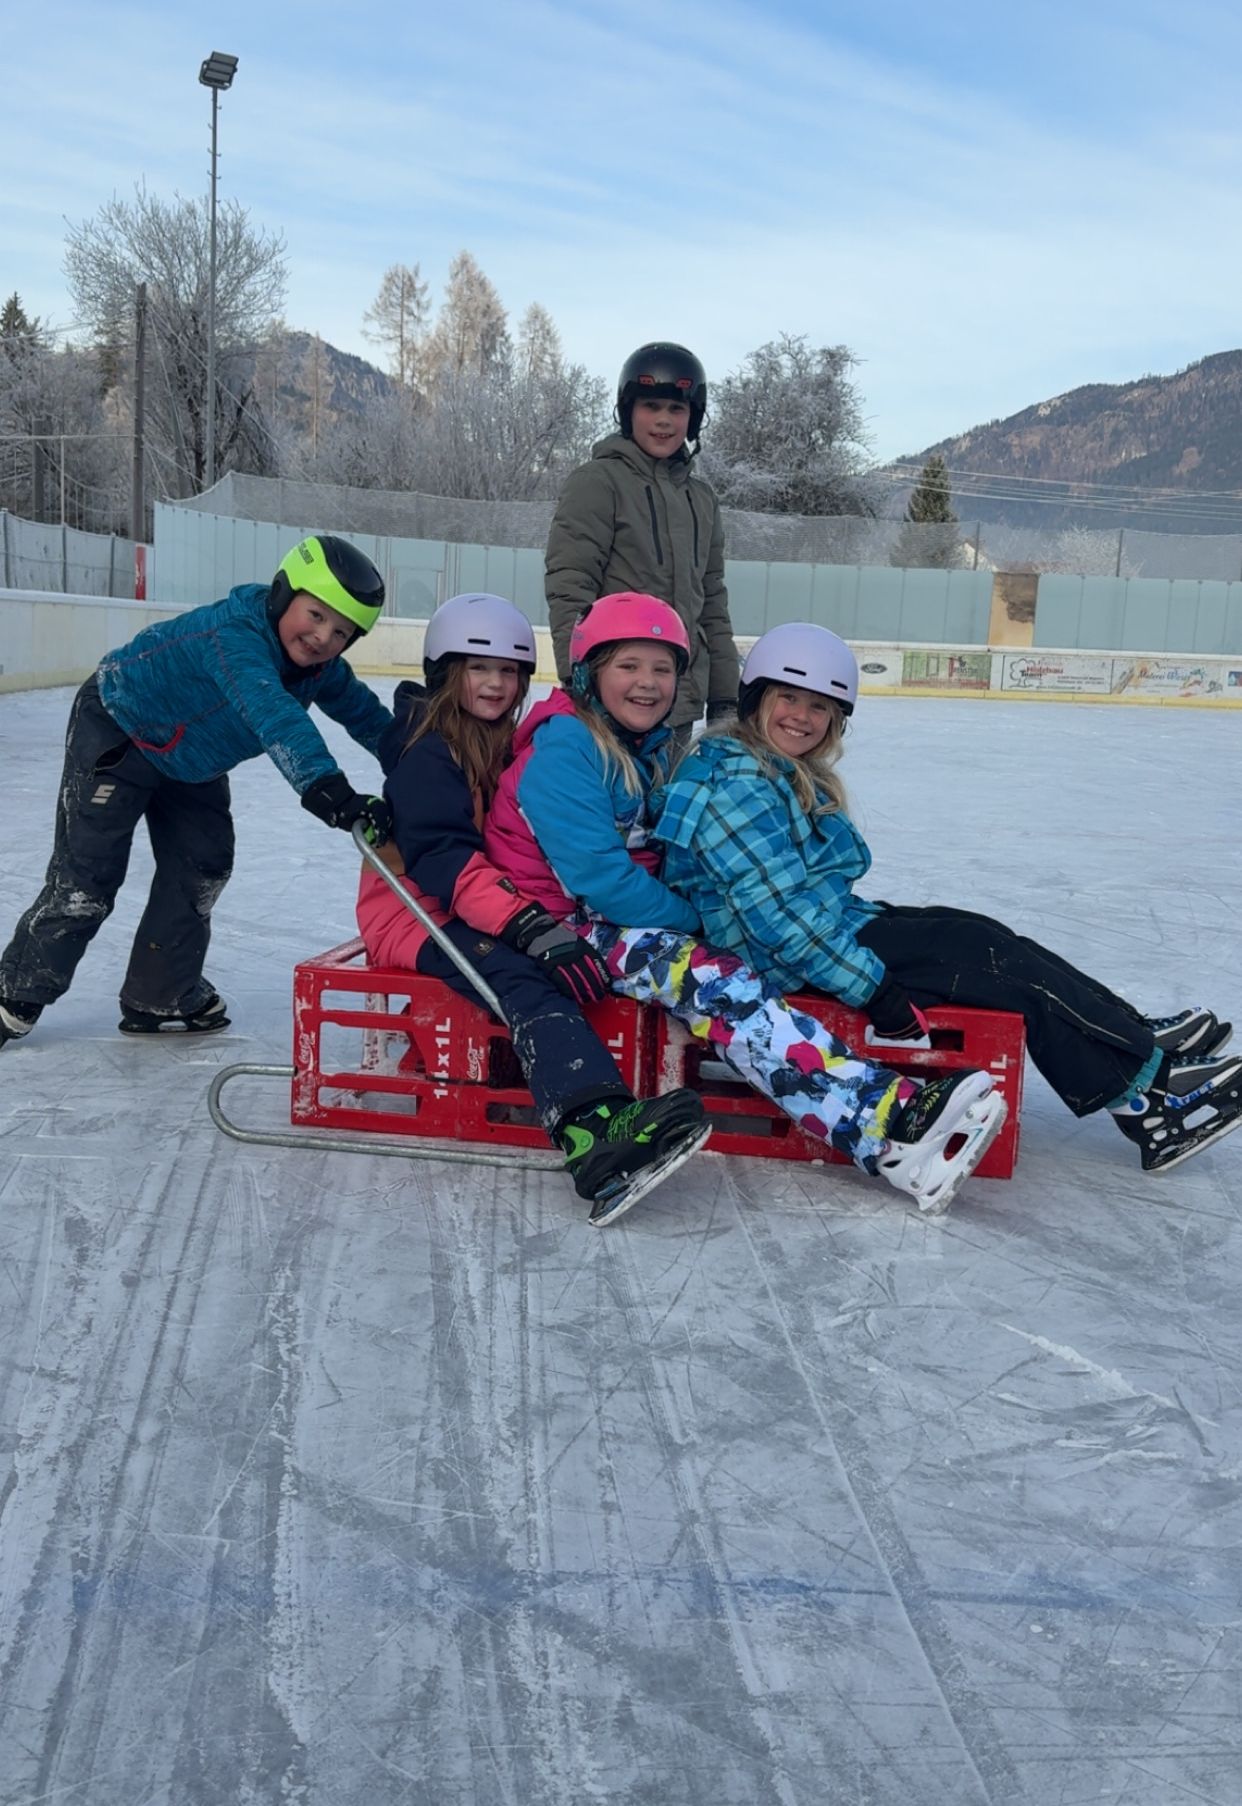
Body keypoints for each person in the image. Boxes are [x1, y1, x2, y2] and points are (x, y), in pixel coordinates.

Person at [651, 621, 1242, 1176]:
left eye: (821, 708)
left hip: (822, 929)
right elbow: (778, 917)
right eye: (789, 698)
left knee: (979, 933)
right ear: (757, 699)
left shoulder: (764, 768)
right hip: (778, 959)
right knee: (985, 960)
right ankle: (1148, 1100)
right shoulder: (734, 781)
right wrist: (873, 989)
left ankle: (1134, 1034)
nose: (803, 717)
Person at [483, 591, 1009, 1215]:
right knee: (718, 981)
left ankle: (876, 1117)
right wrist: (699, 921)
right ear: (589, 672)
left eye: (662, 669)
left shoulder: (635, 747)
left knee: (737, 977)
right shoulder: (565, 751)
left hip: (604, 923)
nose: (648, 684)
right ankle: (888, 1124)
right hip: (559, 931)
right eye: (628, 665)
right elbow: (602, 881)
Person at [355, 592, 709, 1227]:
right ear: (444, 672)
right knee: (523, 978)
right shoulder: (429, 753)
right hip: (416, 911)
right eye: (476, 668)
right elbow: (442, 859)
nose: (495, 684)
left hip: (471, 905)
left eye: (510, 671)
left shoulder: (498, 739)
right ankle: (593, 1135)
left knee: (548, 964)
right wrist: (531, 927)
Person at [0, 534, 395, 1047]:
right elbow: (273, 715)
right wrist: (330, 790)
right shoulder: (236, 635)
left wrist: (415, 763)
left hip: (193, 761)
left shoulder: (319, 672)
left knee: (203, 864)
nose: (322, 637)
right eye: (315, 615)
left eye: (341, 631)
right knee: (88, 878)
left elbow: (366, 715)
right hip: (123, 728)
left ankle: (160, 990)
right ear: (282, 594)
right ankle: (16, 990)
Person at [545, 342, 739, 750]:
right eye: (651, 406)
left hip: (677, 700)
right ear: (628, 409)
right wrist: (577, 676)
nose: (664, 421)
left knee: (668, 811)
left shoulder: (701, 500)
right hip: (611, 697)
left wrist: (725, 697)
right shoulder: (597, 482)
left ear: (694, 418)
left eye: (677, 409)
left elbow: (713, 605)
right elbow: (570, 585)